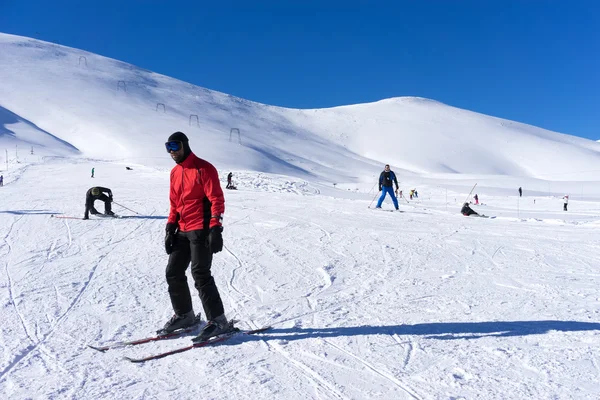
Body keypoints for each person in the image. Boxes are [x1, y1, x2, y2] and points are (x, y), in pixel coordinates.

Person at [161, 131, 229, 342]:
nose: (172, 151)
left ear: (185, 145)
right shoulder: (174, 172)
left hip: (201, 227)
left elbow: (216, 198)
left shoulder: (204, 168)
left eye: (175, 146)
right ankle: (185, 316)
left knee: (200, 273)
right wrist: (170, 226)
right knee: (173, 272)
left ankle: (218, 321)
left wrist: (216, 227)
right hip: (182, 228)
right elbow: (175, 203)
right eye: (168, 147)